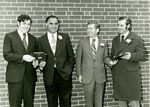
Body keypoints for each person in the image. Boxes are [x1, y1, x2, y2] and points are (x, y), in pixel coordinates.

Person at [108, 16, 147, 107]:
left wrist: (131, 56)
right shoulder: (115, 40)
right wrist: (111, 62)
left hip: (131, 78)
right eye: (118, 25)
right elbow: (112, 56)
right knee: (122, 103)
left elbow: (143, 55)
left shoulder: (136, 38)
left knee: (134, 103)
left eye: (121, 25)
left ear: (128, 26)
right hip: (119, 77)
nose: (119, 27)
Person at [38, 15, 75, 107]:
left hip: (64, 75)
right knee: (51, 102)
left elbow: (71, 56)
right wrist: (41, 66)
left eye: (56, 24)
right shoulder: (41, 40)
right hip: (49, 76)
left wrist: (68, 70)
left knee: (65, 103)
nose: (54, 26)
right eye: (51, 23)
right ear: (46, 25)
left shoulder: (65, 37)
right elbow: (40, 58)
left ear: (58, 25)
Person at [3, 14, 37, 107]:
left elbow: (36, 55)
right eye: (24, 23)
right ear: (18, 23)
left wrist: (36, 62)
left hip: (29, 78)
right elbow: (7, 55)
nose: (27, 26)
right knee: (15, 104)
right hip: (15, 78)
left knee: (29, 104)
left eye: (29, 24)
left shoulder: (33, 39)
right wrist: (23, 57)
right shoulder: (9, 36)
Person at [76, 21, 111, 107]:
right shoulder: (82, 42)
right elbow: (78, 59)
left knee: (99, 101)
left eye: (91, 28)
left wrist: (110, 62)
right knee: (89, 102)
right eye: (87, 28)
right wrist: (79, 74)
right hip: (87, 75)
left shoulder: (104, 42)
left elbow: (105, 57)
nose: (88, 30)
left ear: (97, 30)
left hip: (100, 75)